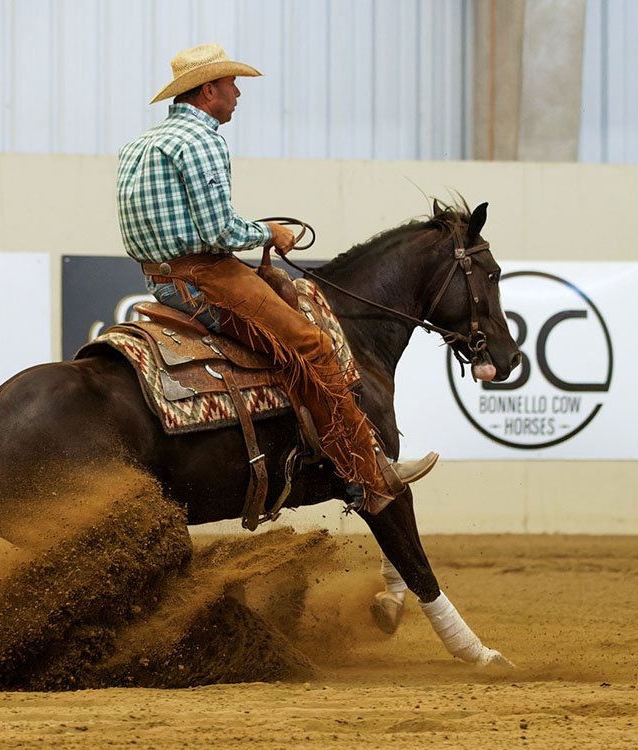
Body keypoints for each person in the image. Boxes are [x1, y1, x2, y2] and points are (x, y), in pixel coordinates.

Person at [116, 43, 437, 512]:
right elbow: (219, 231)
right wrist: (270, 232)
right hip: (207, 278)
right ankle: (365, 471)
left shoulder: (138, 146)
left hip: (162, 281)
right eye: (231, 84)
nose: (238, 93)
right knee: (313, 346)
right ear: (209, 91)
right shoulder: (202, 141)